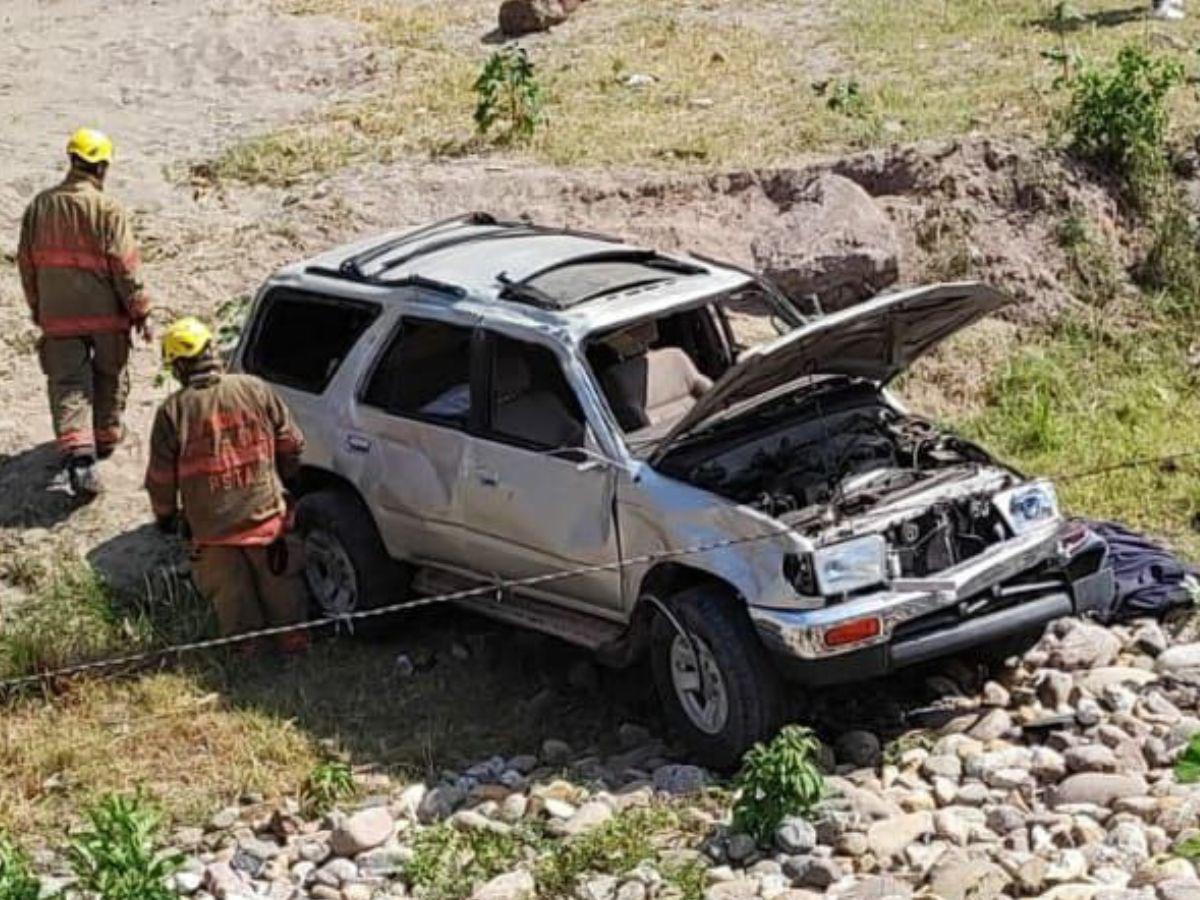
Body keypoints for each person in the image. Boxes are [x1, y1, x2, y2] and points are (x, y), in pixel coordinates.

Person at [144, 318, 310, 654]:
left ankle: (248, 654)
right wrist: (290, 478)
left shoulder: (173, 412)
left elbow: (160, 478)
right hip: (265, 516)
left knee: (231, 596)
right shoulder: (254, 389)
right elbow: (291, 442)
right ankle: (296, 644)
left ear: (178, 366)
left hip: (211, 530)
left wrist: (166, 517)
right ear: (212, 351)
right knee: (281, 585)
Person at [17, 128, 152, 497]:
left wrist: (38, 307)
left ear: (72, 160)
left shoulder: (39, 207)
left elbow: (27, 266)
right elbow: (125, 267)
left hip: (58, 316)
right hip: (107, 316)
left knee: (67, 384)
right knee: (110, 373)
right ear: (102, 168)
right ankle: (106, 437)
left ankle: (80, 456)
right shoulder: (108, 210)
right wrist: (141, 309)